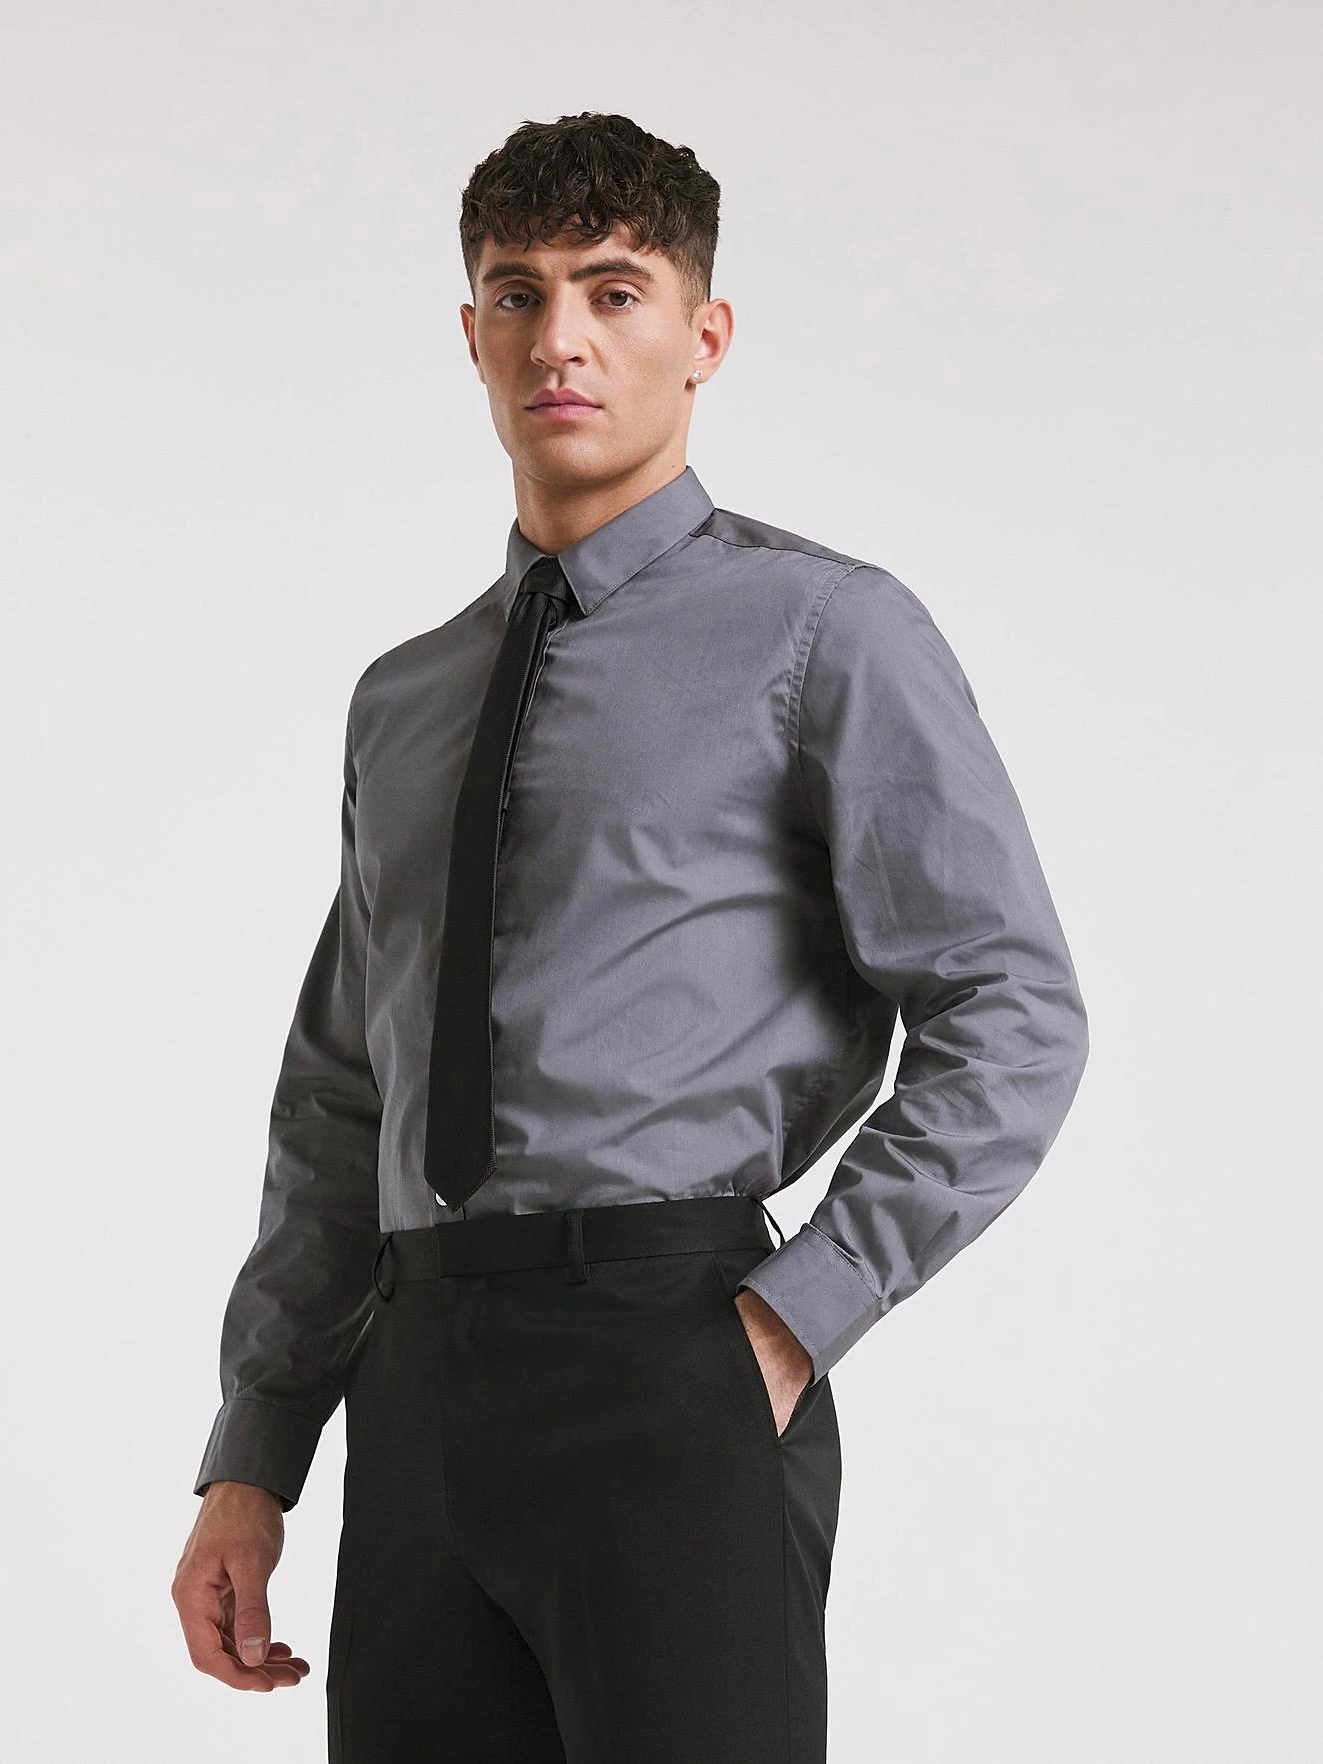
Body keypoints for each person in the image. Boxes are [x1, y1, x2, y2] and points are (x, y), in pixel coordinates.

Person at [171, 111, 1090, 1763]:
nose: (561, 340)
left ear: (704, 335)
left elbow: (1010, 1006)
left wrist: (793, 1318)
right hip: (418, 1382)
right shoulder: (405, 699)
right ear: (471, 334)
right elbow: (342, 1095)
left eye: (614, 290)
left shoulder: (824, 633)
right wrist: (257, 1452)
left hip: (674, 1358)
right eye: (516, 294)